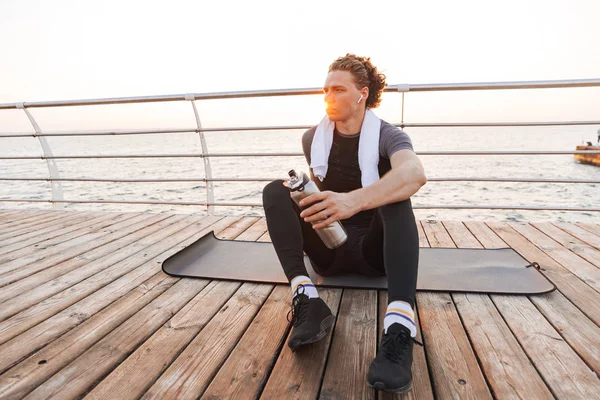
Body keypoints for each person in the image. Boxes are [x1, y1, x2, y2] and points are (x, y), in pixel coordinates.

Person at [262, 54, 427, 394]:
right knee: (276, 191)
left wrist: (352, 201)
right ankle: (307, 299)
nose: (329, 97)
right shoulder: (313, 139)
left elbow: (414, 174)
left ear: (362, 94)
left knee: (398, 192)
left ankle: (399, 327)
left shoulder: (388, 136)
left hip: (375, 252)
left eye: (339, 89)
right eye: (326, 89)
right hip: (330, 250)